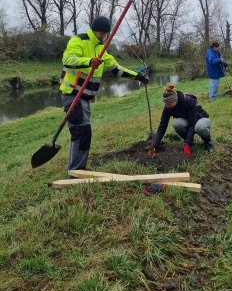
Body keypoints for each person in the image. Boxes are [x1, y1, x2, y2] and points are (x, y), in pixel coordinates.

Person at [59, 16, 149, 174]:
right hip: (73, 94)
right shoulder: (79, 40)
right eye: (106, 33)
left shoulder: (102, 49)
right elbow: (67, 59)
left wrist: (138, 76)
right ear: (104, 32)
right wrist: (89, 61)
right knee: (81, 132)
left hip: (85, 97)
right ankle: (76, 171)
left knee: (82, 132)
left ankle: (77, 169)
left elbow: (116, 69)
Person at [148, 83, 214, 157]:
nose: (167, 106)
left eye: (169, 104)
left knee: (199, 127)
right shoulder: (168, 107)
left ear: (176, 100)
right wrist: (155, 144)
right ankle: (190, 142)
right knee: (177, 124)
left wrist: (186, 143)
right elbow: (162, 126)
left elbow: (193, 123)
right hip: (188, 120)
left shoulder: (188, 101)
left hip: (200, 119)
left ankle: (208, 142)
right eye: (166, 104)